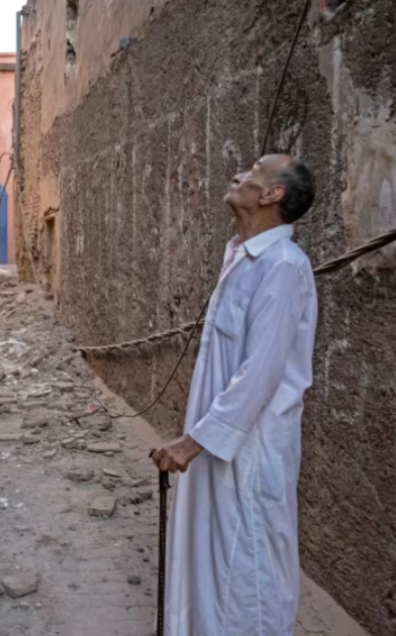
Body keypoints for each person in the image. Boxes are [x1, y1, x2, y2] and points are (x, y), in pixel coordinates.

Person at [150, 154, 318, 636]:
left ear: (272, 195)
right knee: (213, 557)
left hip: (252, 450)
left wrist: (191, 442)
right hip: (220, 443)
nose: (240, 174)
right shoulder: (242, 256)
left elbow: (261, 373)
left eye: (254, 171)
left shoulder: (283, 266)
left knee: (249, 567)